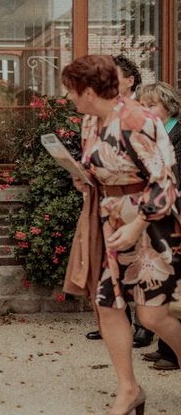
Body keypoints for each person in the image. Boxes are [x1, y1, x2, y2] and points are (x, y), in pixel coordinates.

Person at [62, 55, 181, 415]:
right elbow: (97, 168)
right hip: (107, 223)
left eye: (71, 91)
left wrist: (137, 225)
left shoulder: (137, 119)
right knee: (107, 307)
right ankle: (129, 389)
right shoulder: (90, 122)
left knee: (151, 316)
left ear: (87, 91)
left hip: (149, 226)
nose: (68, 98)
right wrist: (81, 177)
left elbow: (165, 181)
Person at [86, 54, 153, 348]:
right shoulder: (95, 118)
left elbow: (161, 175)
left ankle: (145, 325)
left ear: (129, 80)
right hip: (108, 207)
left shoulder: (141, 114)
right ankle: (118, 327)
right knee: (109, 286)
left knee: (147, 285)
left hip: (141, 207)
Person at [136, 81, 181, 370]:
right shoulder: (155, 135)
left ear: (169, 107)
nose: (146, 111)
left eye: (151, 105)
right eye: (142, 106)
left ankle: (171, 352)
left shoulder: (177, 134)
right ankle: (168, 348)